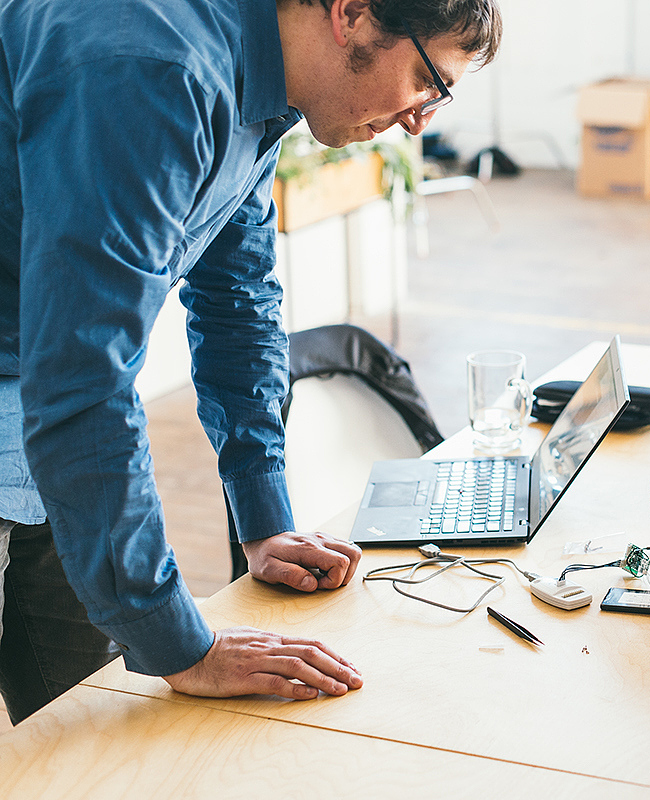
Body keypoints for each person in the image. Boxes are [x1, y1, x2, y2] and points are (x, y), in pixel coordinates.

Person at [0, 0, 501, 724]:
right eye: (431, 81)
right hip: (50, 391)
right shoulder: (157, 69)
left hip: (40, 409)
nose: (425, 119)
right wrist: (181, 645)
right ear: (351, 14)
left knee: (84, 731)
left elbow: (237, 296)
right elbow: (84, 377)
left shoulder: (263, 84)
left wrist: (263, 520)